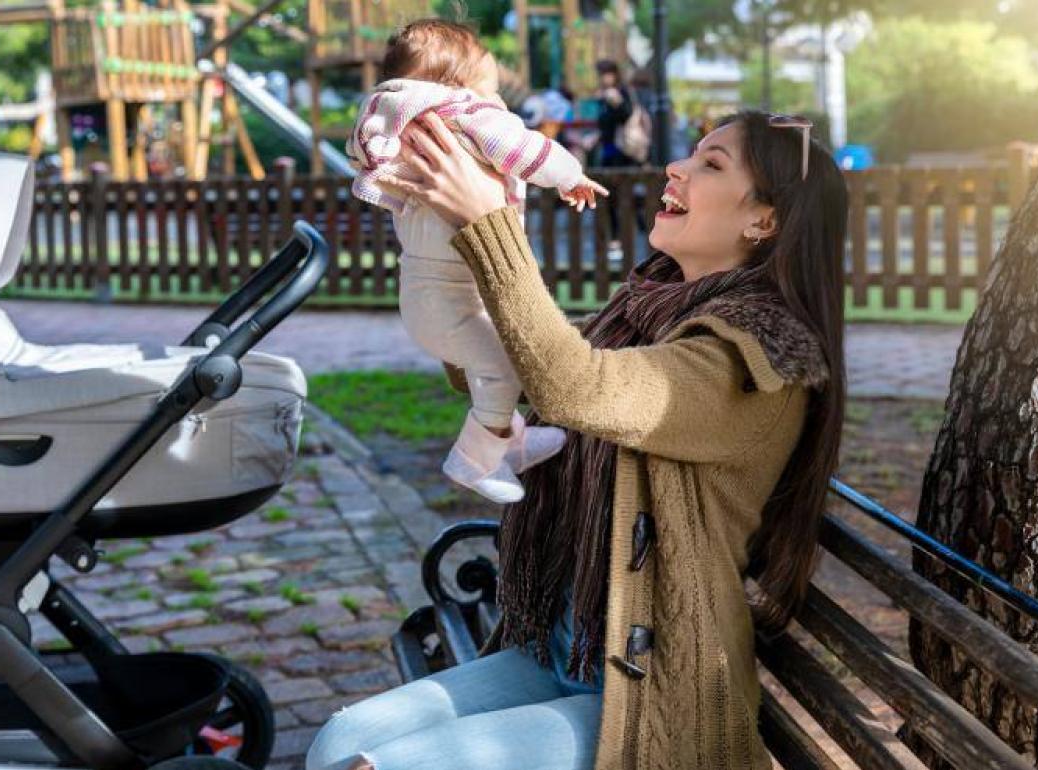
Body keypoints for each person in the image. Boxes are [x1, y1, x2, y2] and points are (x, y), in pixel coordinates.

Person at [306, 109, 848, 770]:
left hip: (654, 691)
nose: (677, 168)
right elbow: (512, 364)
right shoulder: (648, 315)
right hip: (569, 646)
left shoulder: (753, 360)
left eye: (712, 164)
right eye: (693, 154)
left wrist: (490, 227)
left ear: (763, 221)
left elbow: (572, 386)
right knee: (337, 743)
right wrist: (440, 239)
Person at [346, 19, 608, 504]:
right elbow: (526, 147)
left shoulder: (401, 123)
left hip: (429, 292)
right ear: (456, 84)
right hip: (452, 294)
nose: (496, 96)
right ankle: (475, 459)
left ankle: (515, 442)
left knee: (499, 359)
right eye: (488, 82)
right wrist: (570, 174)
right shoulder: (466, 114)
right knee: (504, 364)